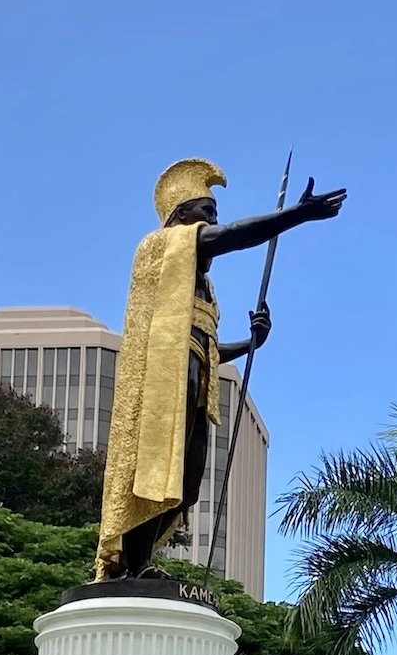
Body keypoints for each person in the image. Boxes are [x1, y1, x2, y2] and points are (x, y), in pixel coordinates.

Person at [96, 158, 345, 581]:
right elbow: (231, 237)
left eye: (214, 214)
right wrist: (295, 216)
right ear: (180, 216)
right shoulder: (160, 245)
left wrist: (251, 344)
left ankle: (138, 565)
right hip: (163, 391)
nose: (213, 221)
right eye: (206, 212)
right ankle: (132, 567)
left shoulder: (202, 289)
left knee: (186, 485)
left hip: (193, 386)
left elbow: (205, 348)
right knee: (157, 472)